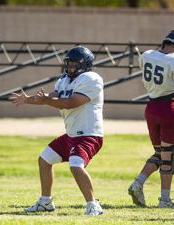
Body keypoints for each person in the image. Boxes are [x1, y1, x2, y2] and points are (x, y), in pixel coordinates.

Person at [9, 46, 105, 216]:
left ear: (85, 65)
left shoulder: (92, 79)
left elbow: (71, 102)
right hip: (71, 134)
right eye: (68, 64)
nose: (70, 67)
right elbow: (51, 97)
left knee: (76, 165)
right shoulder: (64, 80)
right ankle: (45, 201)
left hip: (89, 134)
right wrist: (28, 100)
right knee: (45, 159)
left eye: (74, 64)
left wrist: (47, 100)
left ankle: (93, 204)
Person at [128, 29, 174, 208]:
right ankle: (165, 199)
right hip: (169, 109)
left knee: (160, 154)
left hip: (151, 108)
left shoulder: (147, 55)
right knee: (168, 157)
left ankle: (138, 183)